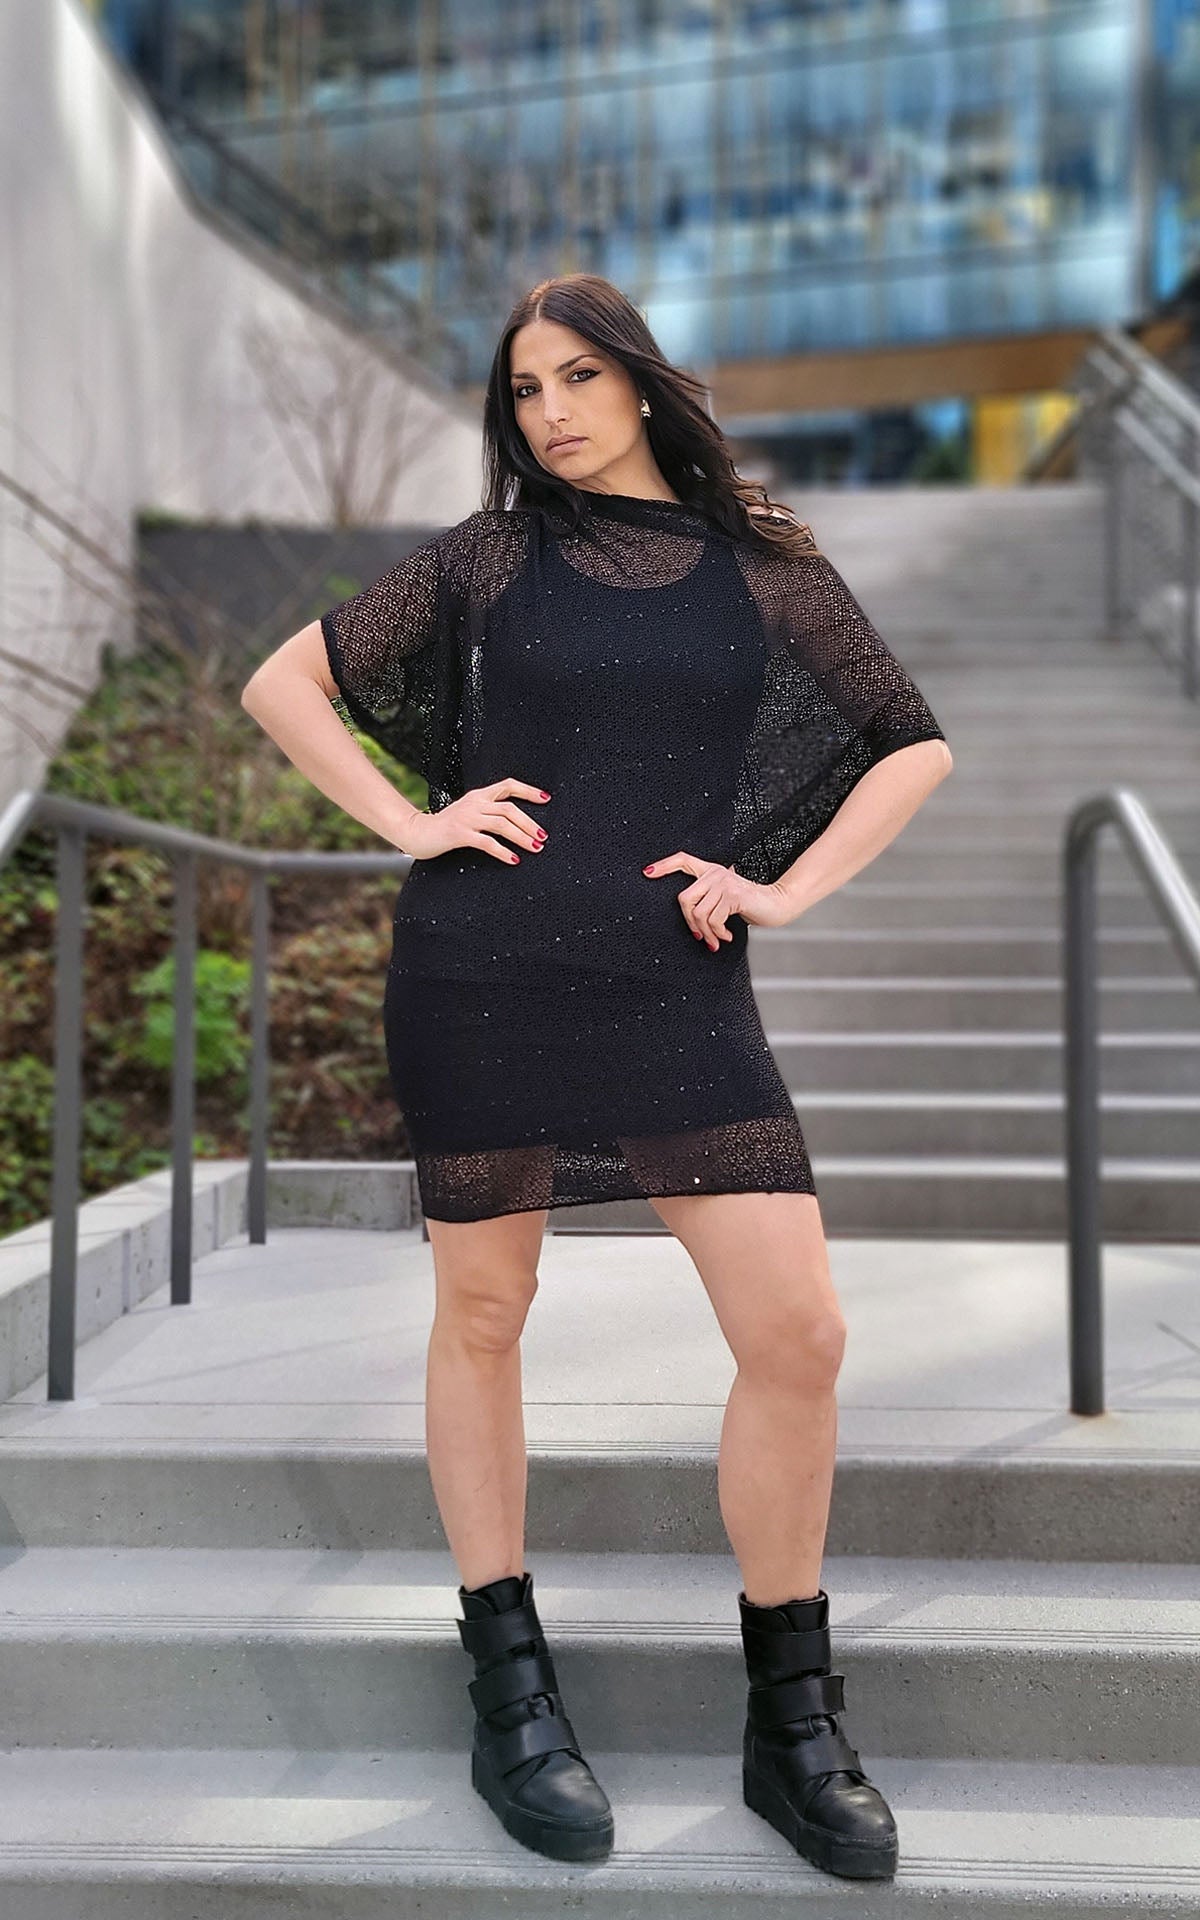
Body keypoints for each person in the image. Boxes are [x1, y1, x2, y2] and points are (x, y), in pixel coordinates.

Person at [241, 272, 953, 1882]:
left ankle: (792, 1724)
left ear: (638, 382)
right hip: (480, 969)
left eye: (576, 376)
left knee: (799, 1329)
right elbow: (285, 682)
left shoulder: (764, 567)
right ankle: (511, 1692)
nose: (549, 410)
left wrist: (785, 884)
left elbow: (911, 739)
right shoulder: (493, 559)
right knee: (484, 1316)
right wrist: (412, 821)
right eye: (523, 390)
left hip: (669, 983)